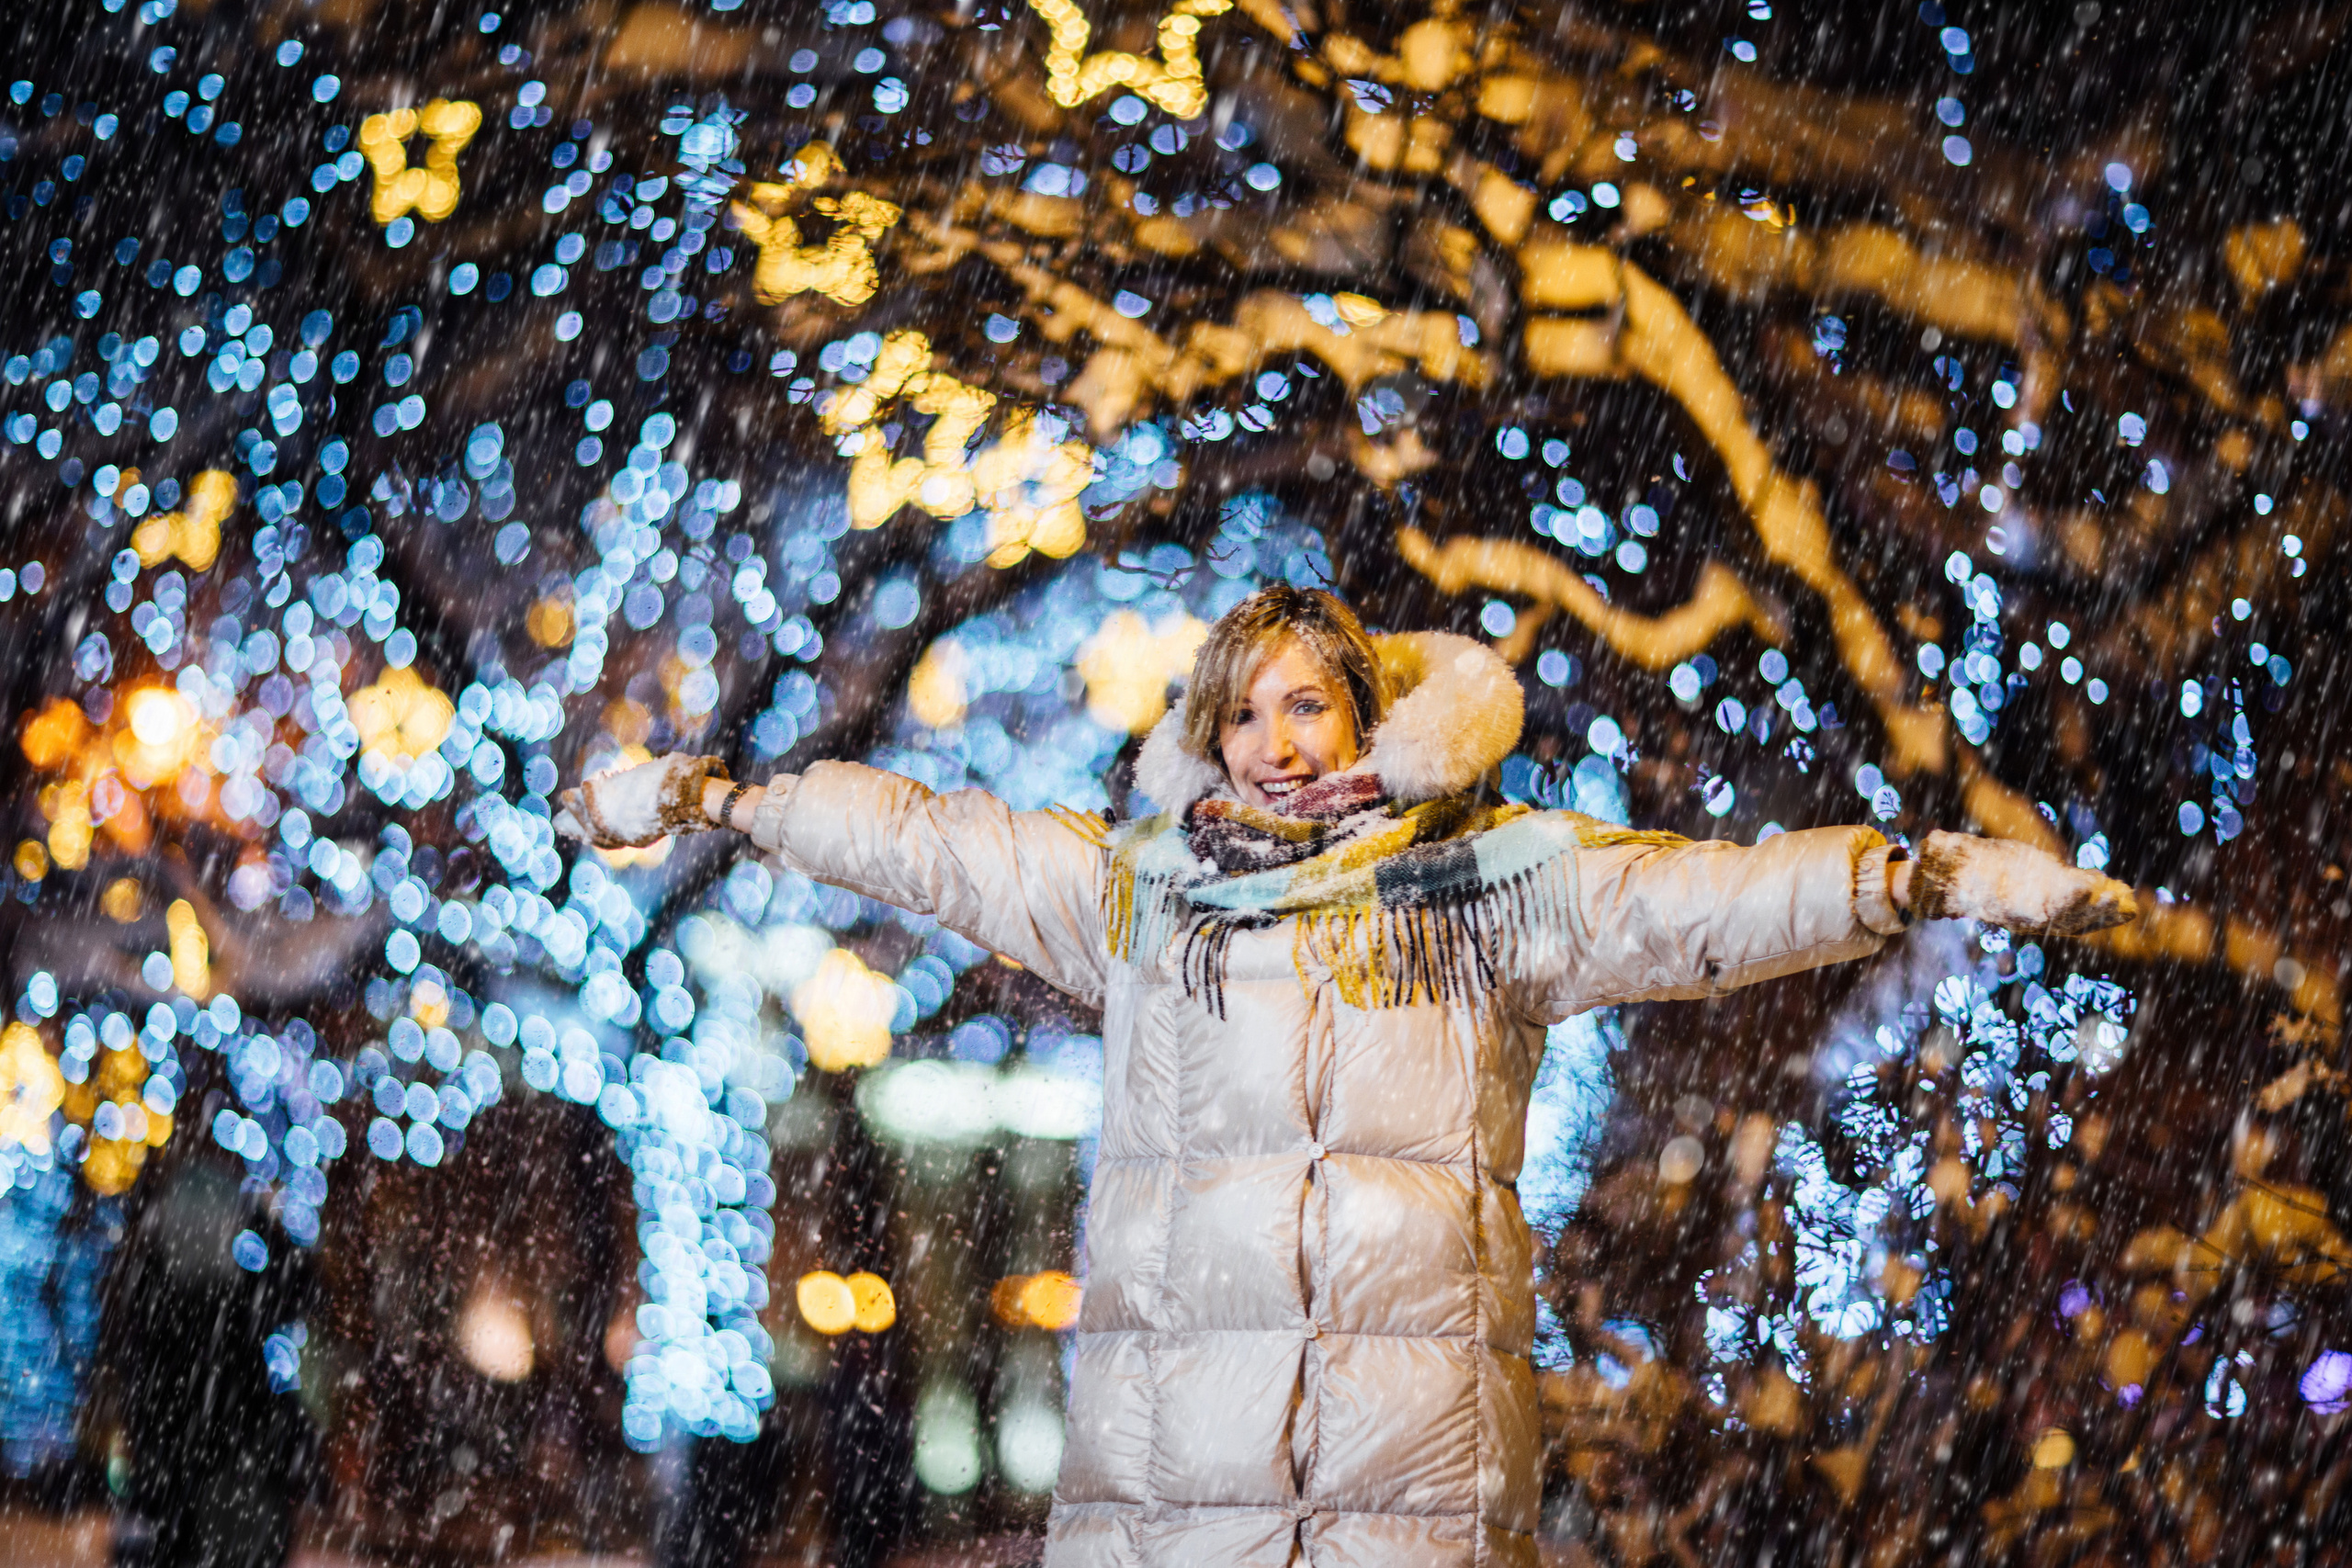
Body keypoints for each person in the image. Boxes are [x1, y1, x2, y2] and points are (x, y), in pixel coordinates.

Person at [560, 586, 2133, 1568]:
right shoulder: (1141, 898)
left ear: (1368, 714)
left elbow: (1707, 906)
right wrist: (717, 798)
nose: (1273, 740)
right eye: (1241, 711)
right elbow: (927, 842)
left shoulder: (1495, 887)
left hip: (1409, 1505)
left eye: (1305, 700)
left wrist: (1912, 877)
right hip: (1178, 1509)